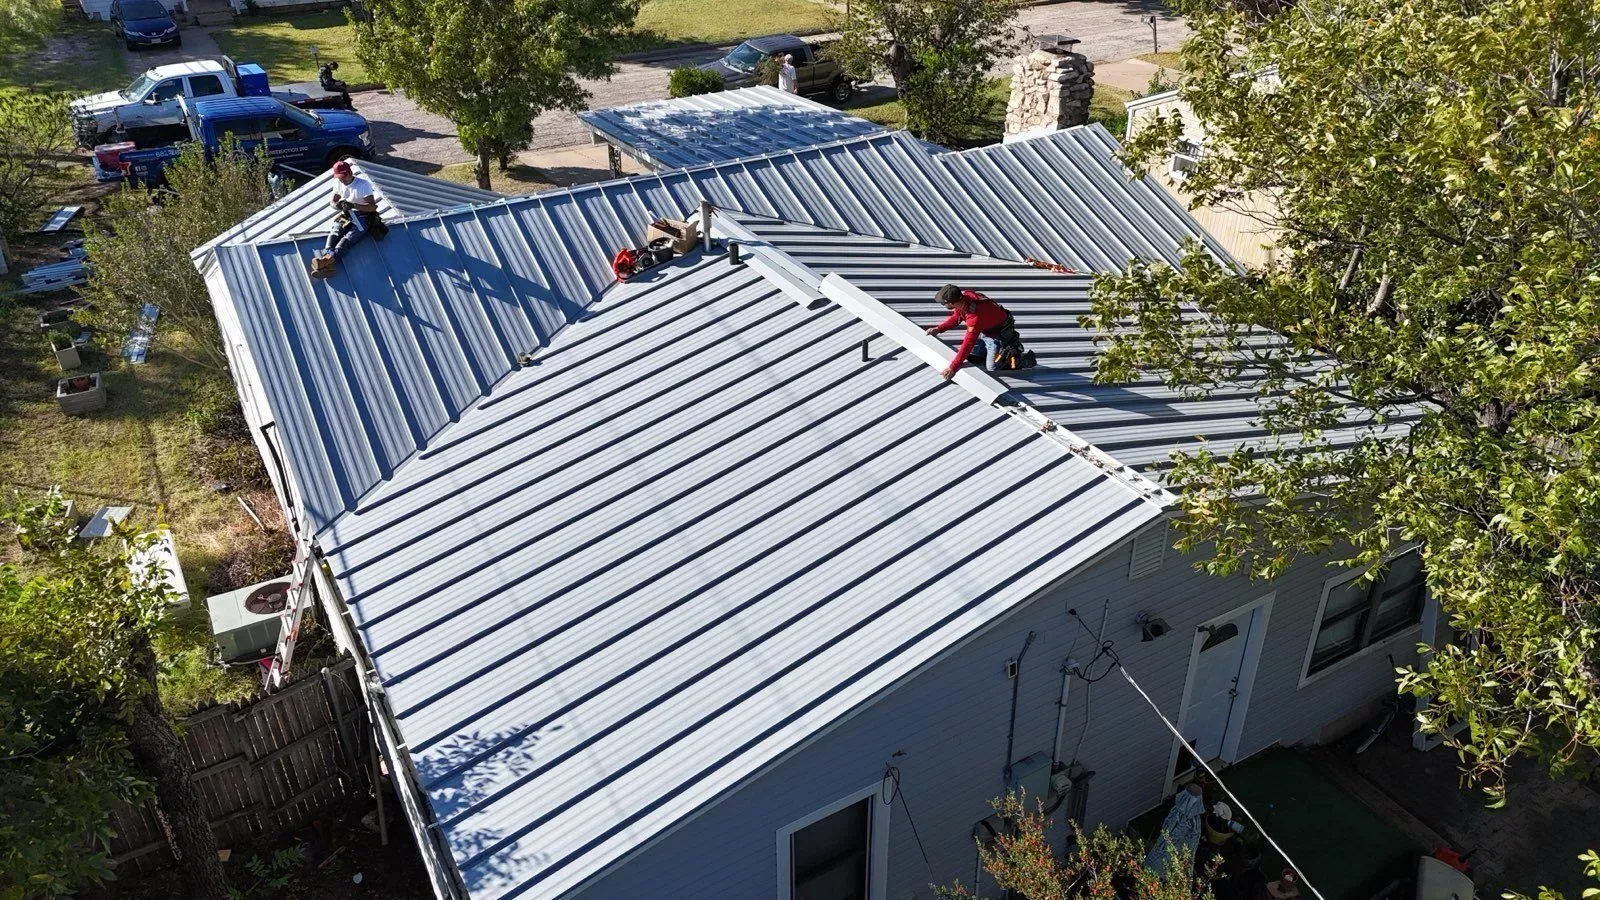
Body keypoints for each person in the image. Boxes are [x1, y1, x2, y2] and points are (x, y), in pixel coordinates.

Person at [923, 283, 1029, 378]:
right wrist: (938, 329)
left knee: (992, 367)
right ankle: (989, 353)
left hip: (997, 335)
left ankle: (1022, 359)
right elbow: (957, 317)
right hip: (985, 330)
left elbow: (968, 344)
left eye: (944, 303)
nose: (944, 305)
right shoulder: (965, 298)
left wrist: (953, 368)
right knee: (973, 357)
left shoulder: (974, 317)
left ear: (951, 303)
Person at [311, 159, 383, 278]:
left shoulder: (363, 185)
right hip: (346, 214)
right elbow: (333, 200)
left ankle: (326, 262)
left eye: (343, 177)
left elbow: (372, 207)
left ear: (350, 173)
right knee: (334, 233)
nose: (341, 180)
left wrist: (354, 205)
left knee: (347, 239)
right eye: (339, 178)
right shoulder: (338, 182)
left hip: (363, 215)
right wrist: (336, 205)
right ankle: (326, 261)